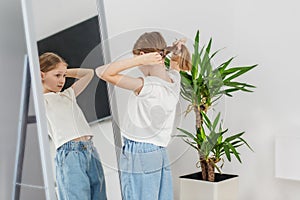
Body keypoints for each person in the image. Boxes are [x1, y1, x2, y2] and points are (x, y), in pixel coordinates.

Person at [95, 31, 191, 200]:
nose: (139, 66)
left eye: (139, 61)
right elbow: (174, 64)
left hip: (139, 153)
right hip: (159, 154)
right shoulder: (174, 81)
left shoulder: (147, 86)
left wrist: (136, 60)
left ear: (143, 56)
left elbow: (102, 72)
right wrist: (175, 51)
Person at [39, 52, 107, 200]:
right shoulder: (41, 102)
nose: (62, 80)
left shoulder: (67, 95)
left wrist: (63, 71)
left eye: (63, 76)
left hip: (90, 150)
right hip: (69, 154)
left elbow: (88, 74)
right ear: (42, 75)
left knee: (99, 195)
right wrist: (46, 73)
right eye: (57, 76)